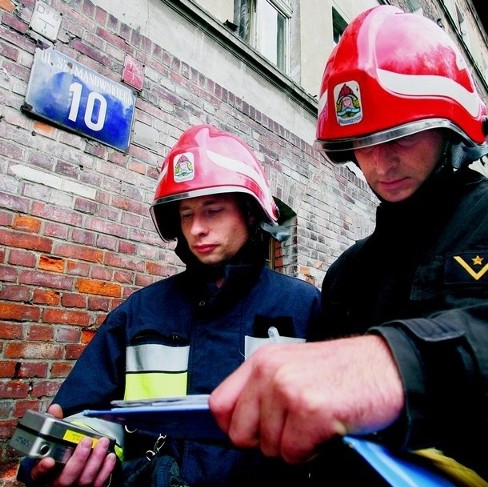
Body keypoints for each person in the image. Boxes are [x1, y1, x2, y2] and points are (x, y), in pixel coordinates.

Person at [208, 5, 488, 487]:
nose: (381, 161)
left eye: (402, 132)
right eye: (363, 139)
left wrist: (404, 364)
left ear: (449, 124)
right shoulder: (348, 275)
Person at [17, 124, 321, 486]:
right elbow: (86, 416)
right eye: (187, 214)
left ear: (250, 213)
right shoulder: (140, 313)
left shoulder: (303, 307)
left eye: (213, 210)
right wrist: (64, 457)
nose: (196, 229)